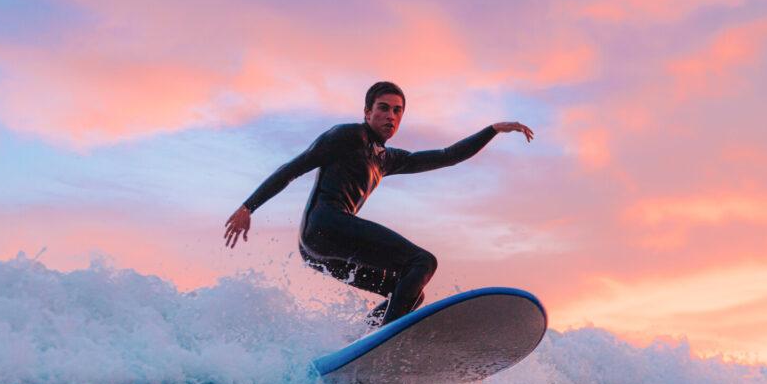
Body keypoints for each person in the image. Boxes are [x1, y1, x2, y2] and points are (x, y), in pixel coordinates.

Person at [224, 81, 534, 327]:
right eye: (383, 108)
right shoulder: (346, 136)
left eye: (397, 111)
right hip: (325, 226)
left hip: (319, 251)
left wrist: (492, 130)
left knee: (410, 291)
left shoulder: (387, 159)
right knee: (422, 262)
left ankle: (366, 340)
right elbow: (294, 168)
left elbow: (447, 155)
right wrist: (248, 206)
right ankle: (389, 340)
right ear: (367, 112)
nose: (391, 116)